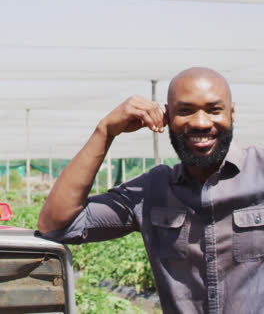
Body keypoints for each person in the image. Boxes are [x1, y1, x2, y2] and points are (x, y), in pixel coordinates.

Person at [38, 67, 264, 314]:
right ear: (167, 117)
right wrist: (105, 131)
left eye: (214, 110)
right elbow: (56, 224)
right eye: (185, 111)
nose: (201, 122)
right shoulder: (150, 191)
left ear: (231, 113)